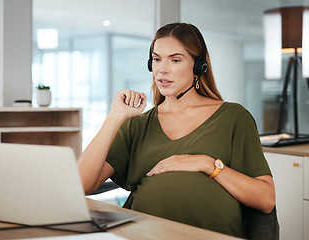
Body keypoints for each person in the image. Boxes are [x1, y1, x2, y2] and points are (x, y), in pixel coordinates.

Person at [78, 22, 275, 238]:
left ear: (199, 66)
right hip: (144, 235)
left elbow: (266, 200)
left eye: (175, 60)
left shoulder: (233, 117)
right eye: (156, 59)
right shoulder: (137, 124)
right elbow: (80, 185)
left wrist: (207, 164)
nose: (162, 69)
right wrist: (115, 116)